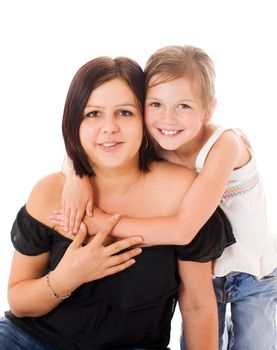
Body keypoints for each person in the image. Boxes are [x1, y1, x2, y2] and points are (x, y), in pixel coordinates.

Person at [0, 56, 234, 350]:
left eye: (124, 112)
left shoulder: (183, 193)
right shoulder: (51, 192)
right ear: (74, 122)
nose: (109, 127)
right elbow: (19, 302)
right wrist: (66, 278)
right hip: (29, 340)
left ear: (146, 119)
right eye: (93, 114)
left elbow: (198, 306)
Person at [57, 46, 277, 350]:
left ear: (208, 109)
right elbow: (92, 147)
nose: (168, 118)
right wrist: (75, 174)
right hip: (206, 276)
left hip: (253, 275)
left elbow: (184, 230)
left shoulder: (225, 144)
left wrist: (103, 223)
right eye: (156, 104)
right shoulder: (159, 142)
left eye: (183, 106)